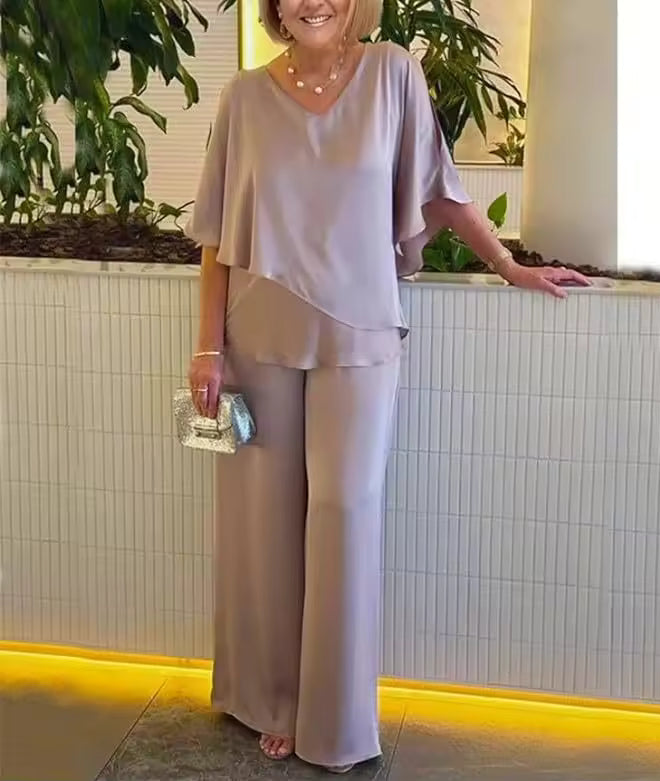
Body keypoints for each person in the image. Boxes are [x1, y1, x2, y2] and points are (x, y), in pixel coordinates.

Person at [184, 0, 589, 774]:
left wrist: (508, 265)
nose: (312, 1)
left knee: (345, 507)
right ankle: (276, 701)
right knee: (266, 522)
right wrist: (207, 346)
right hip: (258, 329)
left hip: (363, 329)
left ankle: (333, 716)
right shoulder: (242, 97)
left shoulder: (391, 74)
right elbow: (214, 237)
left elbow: (438, 187)